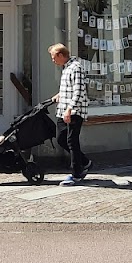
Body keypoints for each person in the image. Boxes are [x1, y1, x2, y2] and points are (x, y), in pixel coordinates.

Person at [49, 43, 92, 185]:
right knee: (61, 138)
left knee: (72, 141)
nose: (53, 60)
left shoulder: (76, 68)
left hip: (74, 111)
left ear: (61, 55)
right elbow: (69, 87)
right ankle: (85, 162)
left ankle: (76, 174)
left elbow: (79, 91)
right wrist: (59, 95)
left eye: (54, 57)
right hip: (63, 110)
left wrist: (69, 109)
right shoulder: (66, 68)